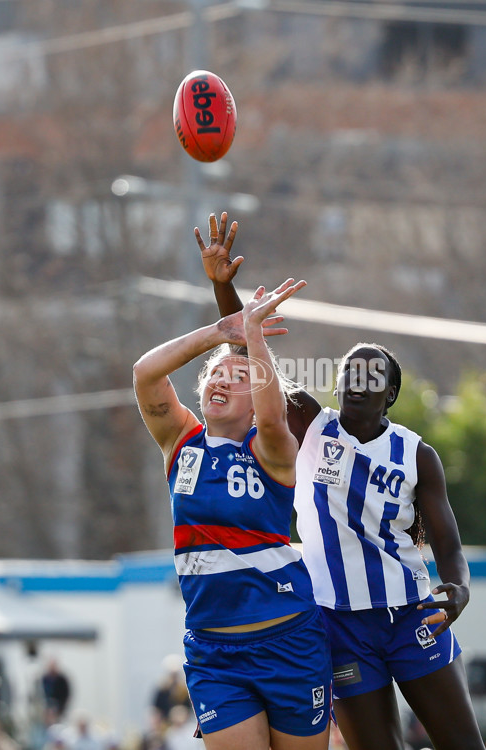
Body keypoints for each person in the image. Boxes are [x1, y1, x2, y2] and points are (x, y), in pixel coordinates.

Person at [197, 211, 486, 750]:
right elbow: (249, 356)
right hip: (338, 621)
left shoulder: (416, 454)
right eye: (349, 371)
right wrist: (224, 287)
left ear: (390, 395)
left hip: (409, 613)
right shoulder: (310, 423)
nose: (358, 381)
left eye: (372, 375)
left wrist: (460, 587)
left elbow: (446, 541)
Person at [133, 275, 333, 750]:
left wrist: (256, 337)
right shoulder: (179, 441)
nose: (222, 377)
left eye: (238, 377)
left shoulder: (273, 449)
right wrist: (221, 334)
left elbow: (271, 417)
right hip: (213, 651)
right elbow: (144, 373)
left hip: (290, 641)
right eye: (215, 374)